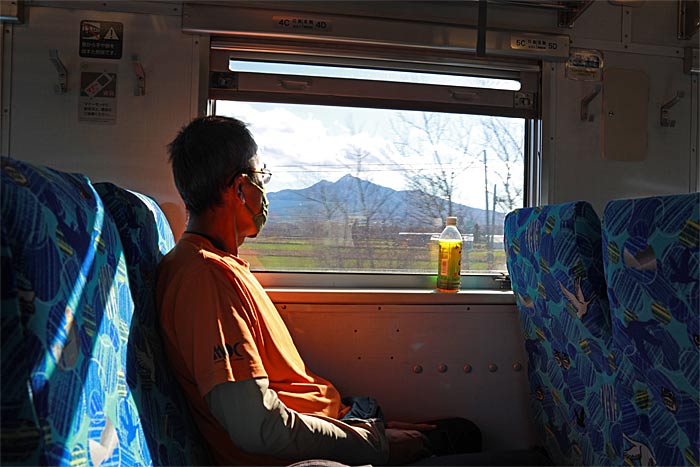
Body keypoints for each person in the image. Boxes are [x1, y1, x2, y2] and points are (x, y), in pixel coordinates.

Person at [156, 116, 478, 466]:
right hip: (300, 456)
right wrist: (375, 443)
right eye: (261, 177)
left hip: (334, 422)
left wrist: (365, 426)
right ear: (239, 188)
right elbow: (258, 428)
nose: (264, 192)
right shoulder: (205, 280)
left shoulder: (219, 265)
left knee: (464, 433)